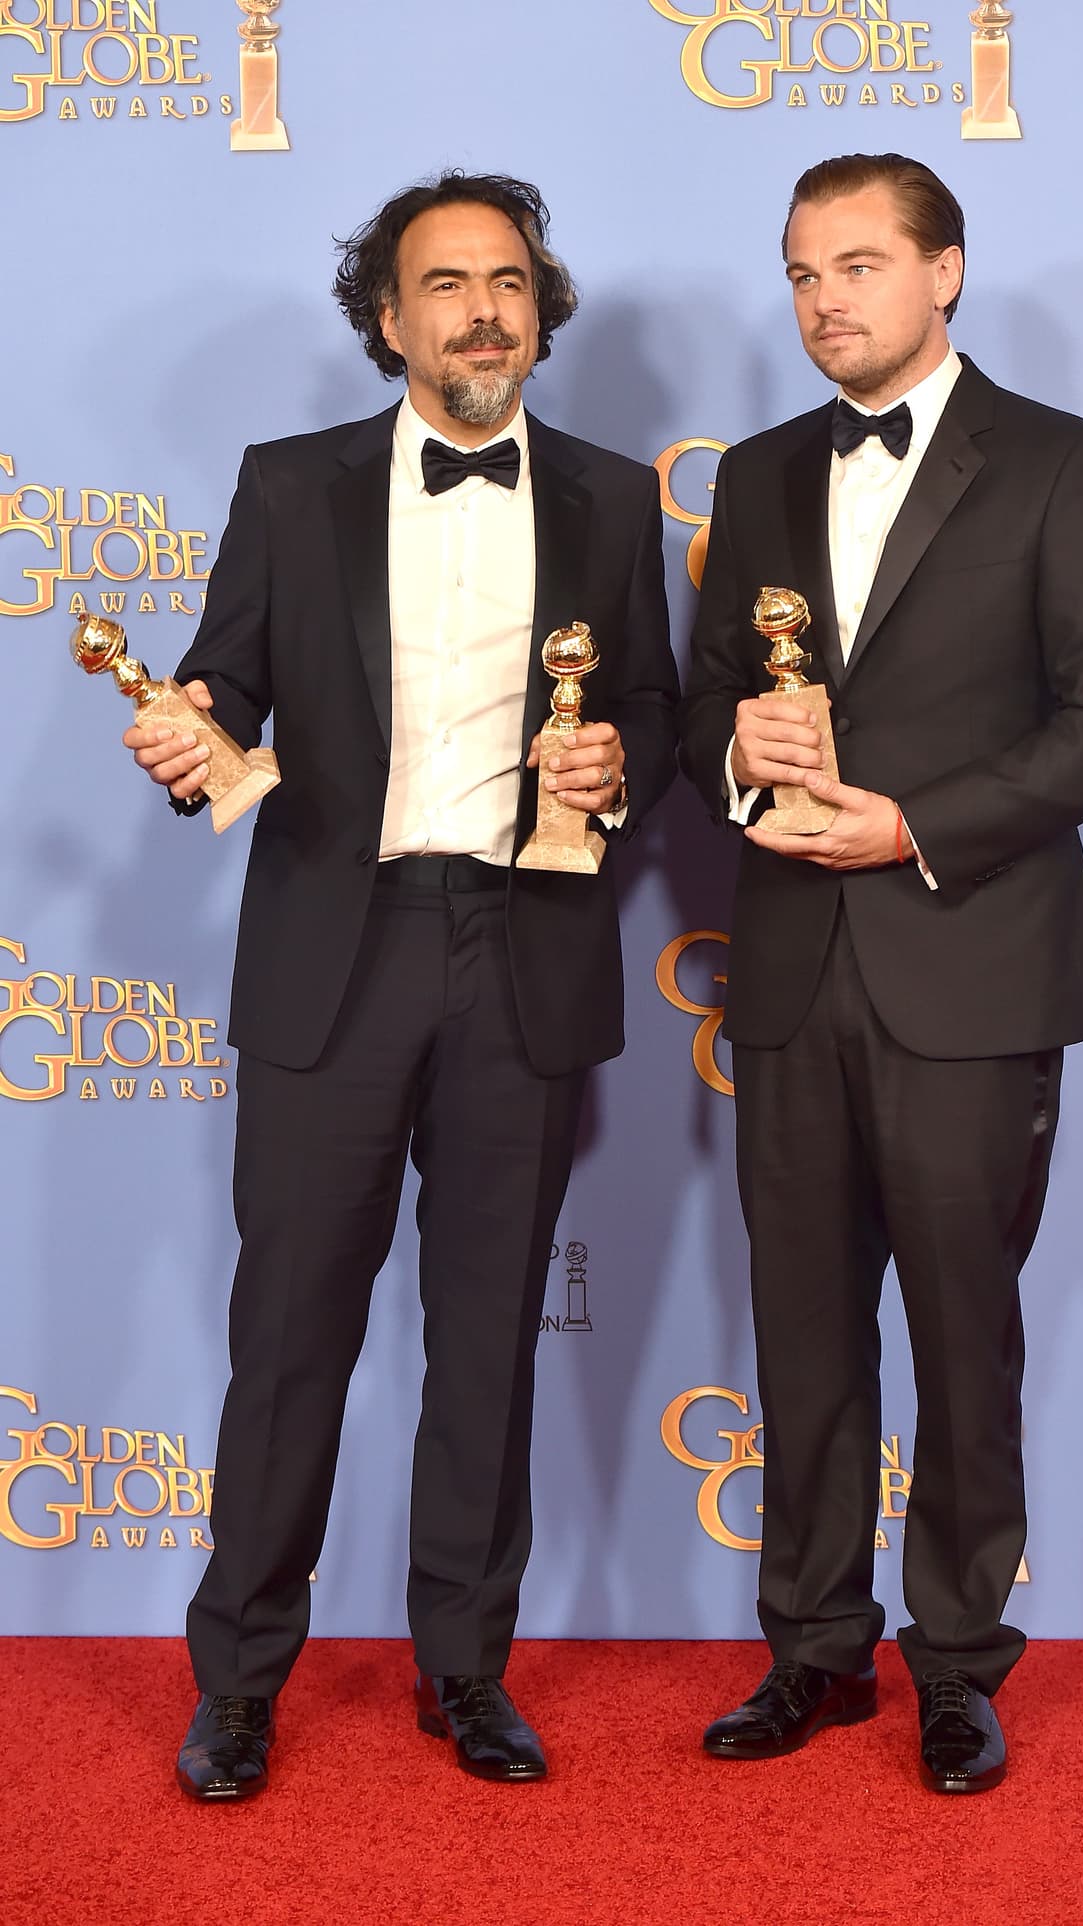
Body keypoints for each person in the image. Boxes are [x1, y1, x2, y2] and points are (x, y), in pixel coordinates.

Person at [126, 171, 677, 1799]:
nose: (480, 310)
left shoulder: (609, 498)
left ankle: (466, 1668)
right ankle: (236, 1684)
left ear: (540, 306)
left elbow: (649, 702)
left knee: (489, 1334)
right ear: (389, 319)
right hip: (332, 957)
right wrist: (190, 726)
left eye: (506, 280)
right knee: (289, 1333)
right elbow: (225, 671)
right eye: (444, 284)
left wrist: (617, 755)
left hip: (524, 951)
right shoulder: (289, 489)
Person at [679, 152, 1083, 1792]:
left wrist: (912, 824)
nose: (829, 300)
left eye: (864, 266)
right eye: (805, 271)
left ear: (945, 272)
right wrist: (744, 757)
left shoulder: (1060, 463)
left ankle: (957, 1661)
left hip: (970, 966)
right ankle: (812, 1649)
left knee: (967, 1340)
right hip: (793, 976)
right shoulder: (750, 476)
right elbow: (704, 716)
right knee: (803, 1338)